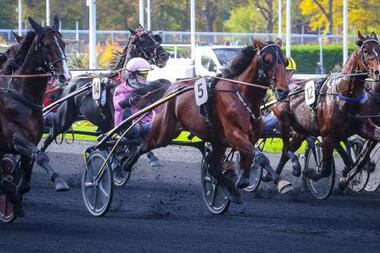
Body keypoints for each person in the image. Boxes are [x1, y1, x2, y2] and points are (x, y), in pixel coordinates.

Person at [113, 57, 161, 167]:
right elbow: (117, 106)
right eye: (143, 73)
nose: (146, 76)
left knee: (160, 124)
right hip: (126, 128)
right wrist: (129, 101)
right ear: (132, 74)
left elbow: (158, 111)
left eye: (147, 73)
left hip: (146, 125)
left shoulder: (149, 90)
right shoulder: (121, 89)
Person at [262, 57, 297, 135]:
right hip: (270, 116)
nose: (286, 74)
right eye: (285, 71)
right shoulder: (269, 86)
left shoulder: (294, 87)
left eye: (289, 71)